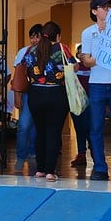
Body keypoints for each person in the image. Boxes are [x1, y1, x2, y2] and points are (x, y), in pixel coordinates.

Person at [22, 21, 74, 182]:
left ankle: (40, 169)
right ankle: (50, 171)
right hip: (56, 94)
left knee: (40, 132)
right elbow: (74, 67)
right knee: (53, 132)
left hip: (35, 95)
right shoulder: (61, 48)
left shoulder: (31, 50)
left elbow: (24, 67)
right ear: (57, 35)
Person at [79, 0, 111, 181]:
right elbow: (87, 60)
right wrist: (102, 58)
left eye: (109, 7)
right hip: (97, 83)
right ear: (94, 11)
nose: (108, 10)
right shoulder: (88, 33)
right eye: (104, 7)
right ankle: (99, 167)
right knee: (96, 127)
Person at [12, 24, 41, 171]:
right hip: (27, 93)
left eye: (37, 36)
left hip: (42, 92)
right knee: (24, 125)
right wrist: (17, 95)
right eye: (32, 36)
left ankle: (33, 153)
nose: (34, 40)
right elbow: (17, 75)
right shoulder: (23, 52)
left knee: (37, 126)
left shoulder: (47, 51)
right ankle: (20, 156)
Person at [69, 44, 91, 167]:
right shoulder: (75, 67)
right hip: (77, 102)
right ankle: (81, 154)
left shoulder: (95, 67)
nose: (82, 55)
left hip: (91, 102)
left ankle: (94, 153)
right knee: (79, 128)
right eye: (80, 53)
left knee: (90, 128)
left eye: (84, 52)